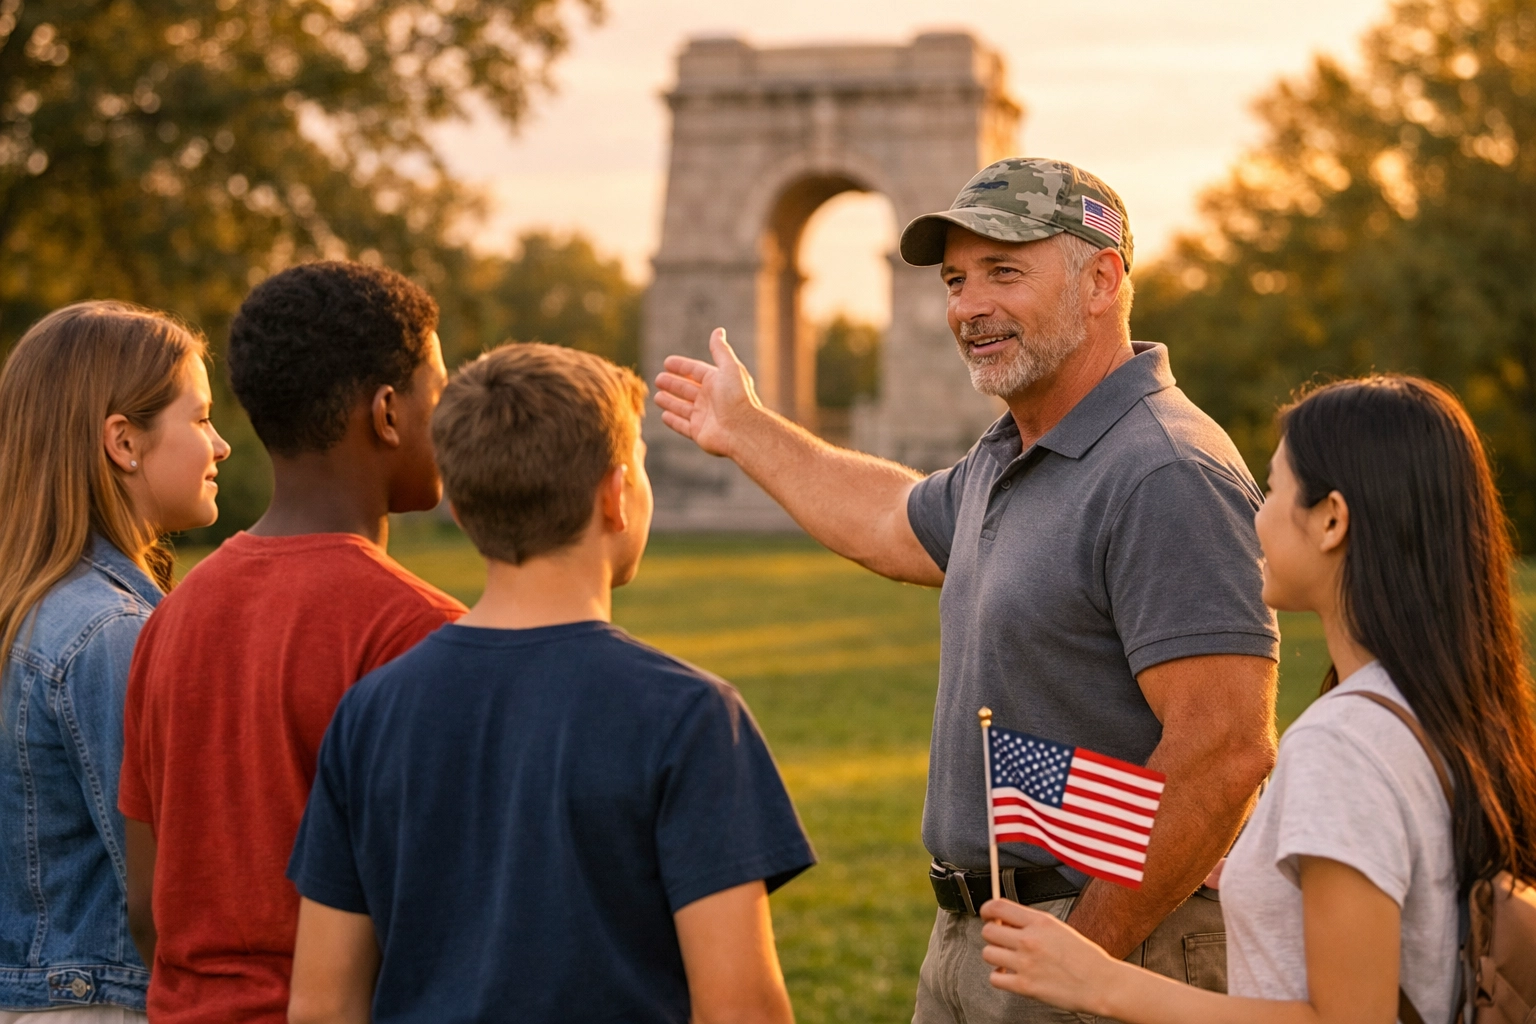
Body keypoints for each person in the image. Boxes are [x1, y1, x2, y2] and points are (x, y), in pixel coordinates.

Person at [653, 157, 1278, 1018]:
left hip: (1108, 941)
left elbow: (1226, 748)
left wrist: (1082, 954)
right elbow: (888, 519)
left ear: (1102, 281)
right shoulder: (1015, 451)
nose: (967, 307)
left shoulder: (1163, 470)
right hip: (980, 934)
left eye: (1003, 272)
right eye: (955, 280)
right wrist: (746, 428)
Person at [284, 343, 815, 1024]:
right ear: (616, 497)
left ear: (462, 507)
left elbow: (323, 1005)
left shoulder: (368, 713)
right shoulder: (691, 718)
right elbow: (740, 1009)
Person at [978, 375, 1536, 1023]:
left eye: (1272, 490)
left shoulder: (1342, 745)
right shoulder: (1435, 711)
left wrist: (1099, 981)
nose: (1255, 515)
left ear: (1331, 520)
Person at [118, 262, 467, 1024]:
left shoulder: (171, 619)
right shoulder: (420, 633)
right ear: (387, 413)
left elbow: (146, 905)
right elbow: (443, 915)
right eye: (438, 393)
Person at [0, 302, 230, 1021]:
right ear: (123, 442)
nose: (222, 445)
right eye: (201, 419)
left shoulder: (33, 610)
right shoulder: (111, 634)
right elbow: (169, 893)